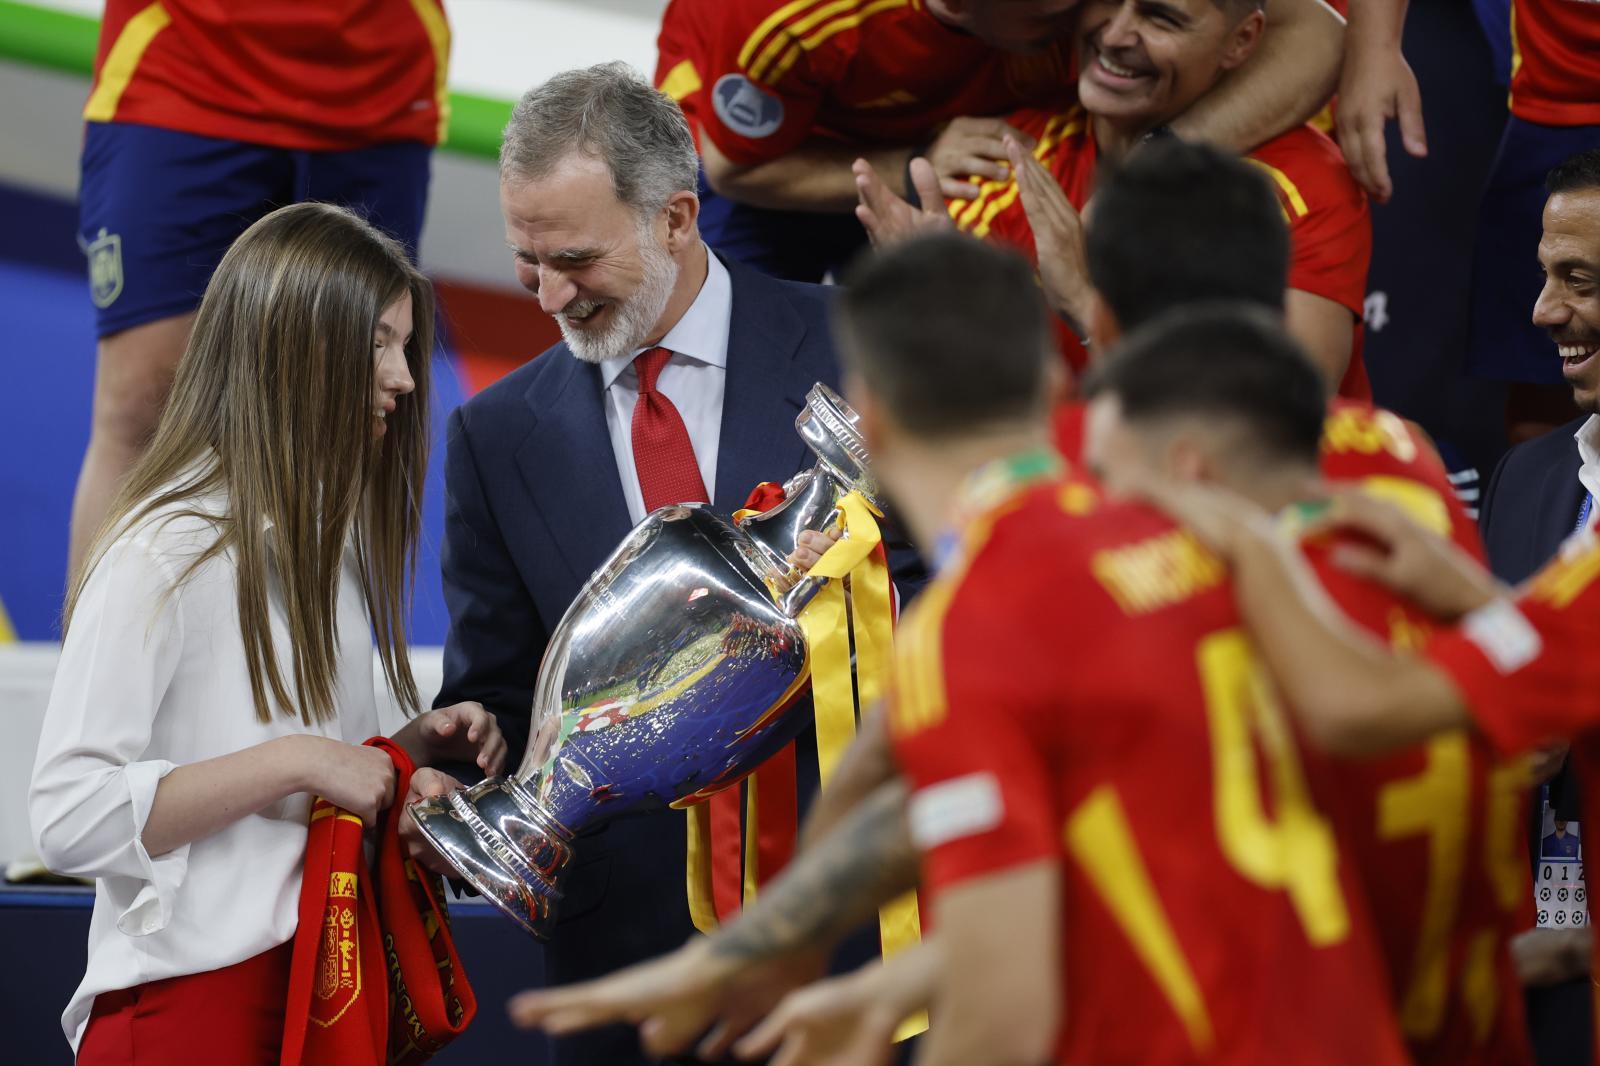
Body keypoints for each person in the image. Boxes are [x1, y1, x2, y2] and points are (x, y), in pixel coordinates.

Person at [510, 237, 1413, 1065]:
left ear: (866, 415)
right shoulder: (1192, 527)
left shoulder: (982, 623)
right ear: (1052, 391)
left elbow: (1004, 1010)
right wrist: (798, 952)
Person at [432, 62, 919, 1066]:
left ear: (676, 219)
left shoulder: (863, 348)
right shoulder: (492, 434)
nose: (551, 297)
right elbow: (497, 684)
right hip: (628, 964)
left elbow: (959, 591)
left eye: (573, 258)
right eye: (527, 264)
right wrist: (461, 752)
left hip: (862, 938)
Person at [29, 202, 504, 1063]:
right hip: (187, 1012)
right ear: (294, 347)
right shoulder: (163, 547)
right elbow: (67, 815)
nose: (403, 379)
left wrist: (406, 758)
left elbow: (300, 779)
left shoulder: (333, 548)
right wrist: (298, 760)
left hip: (318, 990)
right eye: (378, 344)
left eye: (406, 345)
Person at [70, 0, 448, 577]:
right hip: (184, 58)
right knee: (142, 407)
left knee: (353, 411)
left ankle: (317, 665)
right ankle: (98, 661)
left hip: (375, 75)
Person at [856, 0, 1371, 394]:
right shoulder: (1012, 154)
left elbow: (1276, 429)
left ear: (1242, 41)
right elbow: (981, 412)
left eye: (1161, 18)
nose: (1116, 34)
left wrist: (1085, 303)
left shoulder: (1297, 188)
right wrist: (933, 304)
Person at [654, 0, 1346, 281]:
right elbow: (738, 171)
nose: (1102, 20)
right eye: (1056, 11)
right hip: (777, 164)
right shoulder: (779, 17)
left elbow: (1312, 27)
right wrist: (915, 159)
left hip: (982, 141)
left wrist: (1155, 161)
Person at [1471, 145, 1600, 1063]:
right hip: (1536, 980)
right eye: (1547, 276)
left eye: (1580, 280)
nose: (1544, 311)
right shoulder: (1528, 476)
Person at [1334, 0, 1600, 437]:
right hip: (1556, 96)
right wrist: (1374, 49)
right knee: (1547, 390)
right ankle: (1564, 506)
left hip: (1554, 102)